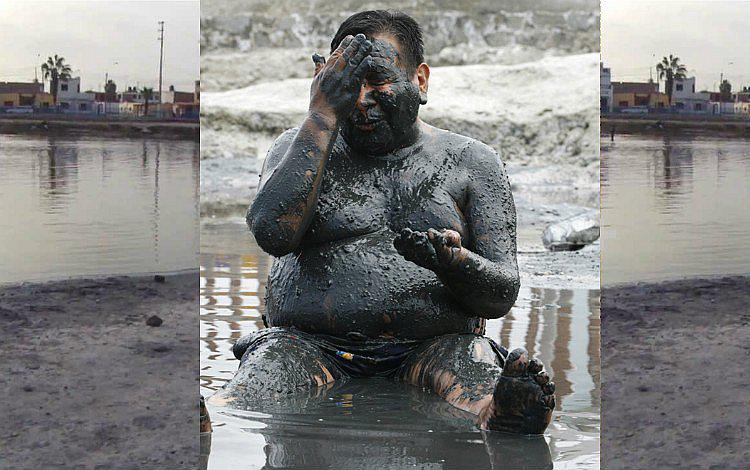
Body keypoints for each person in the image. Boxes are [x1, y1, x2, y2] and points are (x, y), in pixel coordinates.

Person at [210, 10, 555, 435]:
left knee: (474, 372)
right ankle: (209, 420)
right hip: (308, 344)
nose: (360, 98)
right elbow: (272, 233)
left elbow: (502, 292)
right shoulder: (300, 147)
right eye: (348, 82)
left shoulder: (471, 163)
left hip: (434, 347)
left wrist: (454, 262)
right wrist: (320, 116)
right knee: (253, 387)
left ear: (421, 81)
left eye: (378, 81)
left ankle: (504, 411)